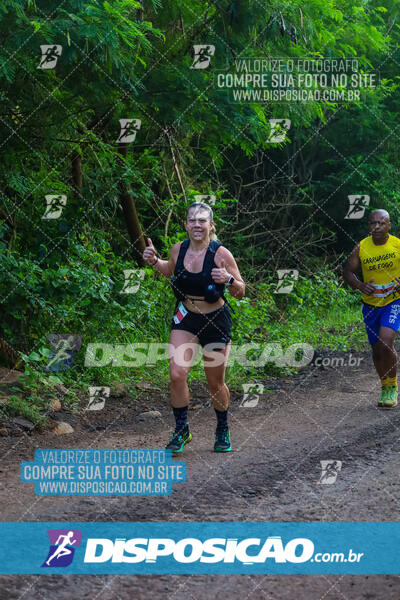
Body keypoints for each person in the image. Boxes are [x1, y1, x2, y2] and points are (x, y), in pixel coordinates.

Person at [142, 202, 245, 452]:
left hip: (215, 320)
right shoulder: (179, 249)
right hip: (186, 317)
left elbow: (241, 291)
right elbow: (168, 270)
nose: (197, 225)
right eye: (192, 220)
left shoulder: (221, 254)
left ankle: (222, 428)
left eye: (202, 221)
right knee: (177, 374)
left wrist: (229, 280)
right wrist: (155, 260)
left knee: (215, 383)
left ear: (211, 225)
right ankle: (181, 430)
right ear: (186, 225)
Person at [343, 209, 400, 408]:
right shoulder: (361, 247)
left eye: (381, 223)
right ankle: (384, 385)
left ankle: (393, 386)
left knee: (386, 342)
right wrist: (360, 285)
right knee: (376, 350)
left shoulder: (397, 245)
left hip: (394, 301)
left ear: (389, 225)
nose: (376, 227)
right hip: (370, 305)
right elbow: (348, 272)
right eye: (373, 223)